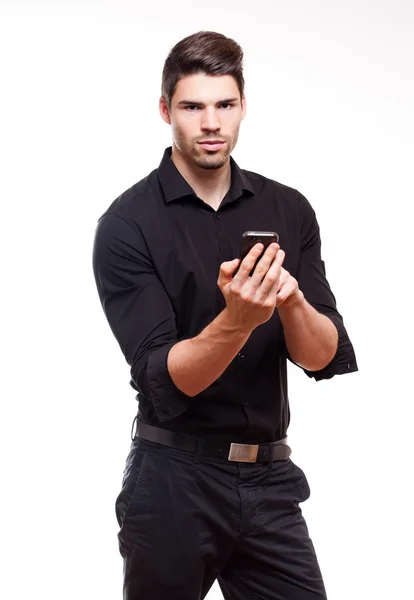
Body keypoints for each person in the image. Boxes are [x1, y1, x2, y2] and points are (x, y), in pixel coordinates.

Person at [92, 30, 358, 600]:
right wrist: (237, 318)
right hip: (172, 480)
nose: (210, 122)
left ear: (243, 106)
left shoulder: (289, 208)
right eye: (192, 106)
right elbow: (168, 380)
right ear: (166, 110)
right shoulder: (126, 226)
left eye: (224, 105)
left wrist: (289, 302)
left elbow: (322, 355)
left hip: (269, 479)